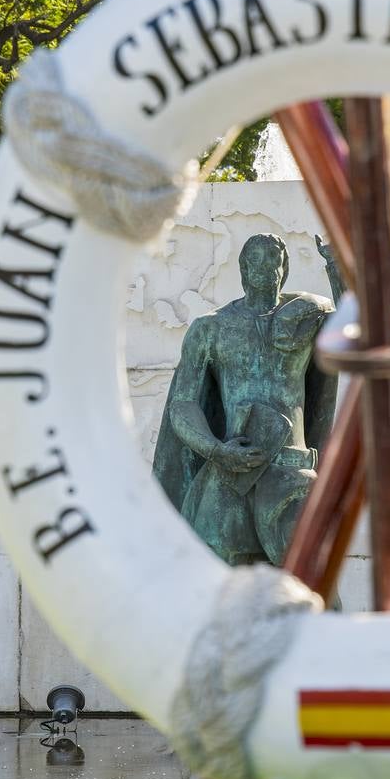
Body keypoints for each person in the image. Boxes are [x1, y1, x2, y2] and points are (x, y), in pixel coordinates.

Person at [152, 233, 343, 566]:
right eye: (256, 259)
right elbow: (183, 403)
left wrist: (338, 264)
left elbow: (357, 331)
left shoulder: (307, 317)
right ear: (242, 268)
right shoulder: (210, 328)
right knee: (214, 582)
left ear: (285, 269)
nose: (265, 267)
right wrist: (216, 450)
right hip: (231, 471)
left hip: (291, 471)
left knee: (311, 584)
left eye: (274, 259)